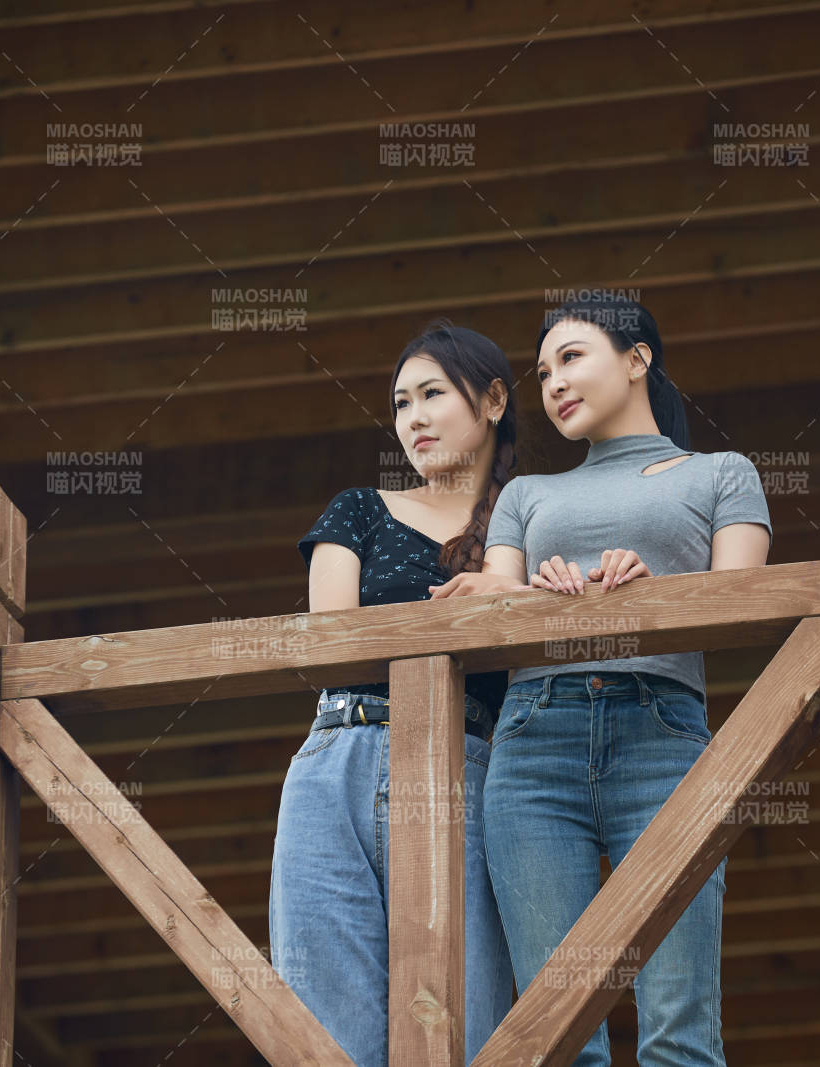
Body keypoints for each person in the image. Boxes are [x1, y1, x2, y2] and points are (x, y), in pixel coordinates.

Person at [470, 296, 772, 1064]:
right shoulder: (525, 495)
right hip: (533, 741)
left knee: (680, 1022)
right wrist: (539, 588)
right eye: (543, 372)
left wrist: (657, 592)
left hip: (662, 737)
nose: (554, 382)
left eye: (572, 357)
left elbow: (742, 608)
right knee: (560, 1032)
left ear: (637, 359)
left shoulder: (722, 474)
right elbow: (490, 605)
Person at [269, 322, 524, 1064]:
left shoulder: (528, 524)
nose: (413, 416)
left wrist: (512, 587)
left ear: (495, 400)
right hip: (335, 763)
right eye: (401, 402)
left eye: (433, 395)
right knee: (328, 1029)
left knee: (470, 1029)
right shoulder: (356, 508)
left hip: (469, 770)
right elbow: (330, 643)